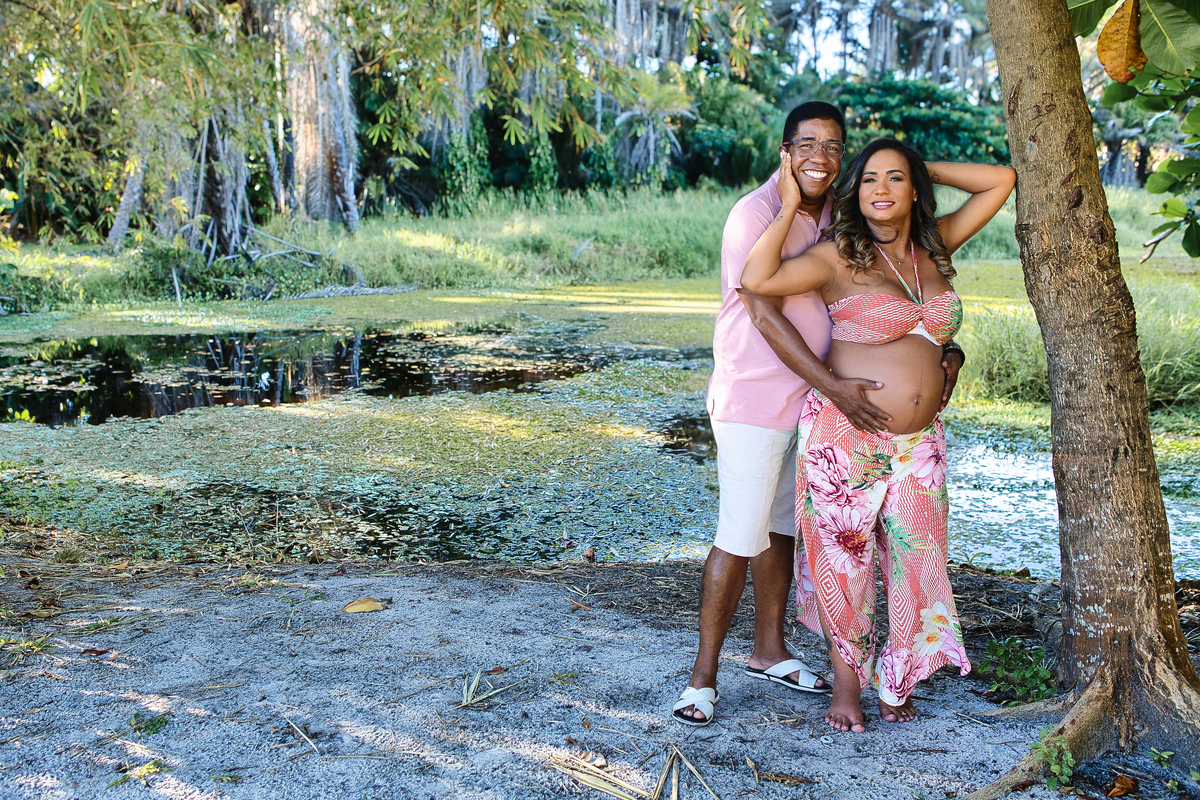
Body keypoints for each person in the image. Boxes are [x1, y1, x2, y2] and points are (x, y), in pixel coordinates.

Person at [672, 107, 966, 727]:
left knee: (783, 530)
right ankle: (702, 680)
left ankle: (769, 649)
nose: (821, 158)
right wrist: (833, 385)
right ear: (785, 151)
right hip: (760, 398)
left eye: (835, 148)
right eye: (807, 146)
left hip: (813, 408)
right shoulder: (754, 214)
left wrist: (908, 172)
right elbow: (760, 303)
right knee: (741, 531)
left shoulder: (842, 214)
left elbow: (895, 297)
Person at [740, 138, 1015, 733]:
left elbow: (1000, 179)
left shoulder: (933, 246)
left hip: (921, 443)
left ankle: (899, 675)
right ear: (854, 194)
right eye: (868, 179)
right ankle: (847, 684)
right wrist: (787, 204)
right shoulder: (838, 255)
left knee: (920, 563)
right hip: (847, 437)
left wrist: (918, 164)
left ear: (914, 188)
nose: (882, 190)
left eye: (896, 178)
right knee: (846, 562)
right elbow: (756, 279)